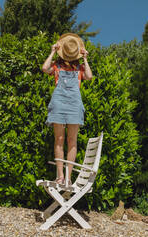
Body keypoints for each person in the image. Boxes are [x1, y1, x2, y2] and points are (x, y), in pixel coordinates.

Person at [42, 33, 92, 185]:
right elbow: (45, 68)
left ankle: (69, 178)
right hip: (58, 103)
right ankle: (60, 176)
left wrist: (85, 59)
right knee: (59, 139)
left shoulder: (80, 67)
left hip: (74, 105)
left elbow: (89, 77)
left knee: (72, 140)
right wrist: (51, 52)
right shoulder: (56, 66)